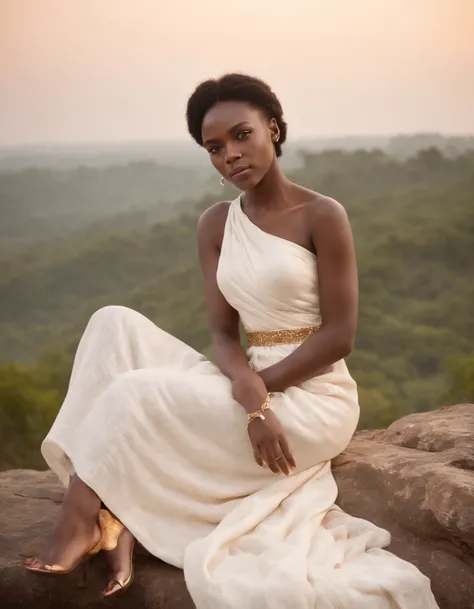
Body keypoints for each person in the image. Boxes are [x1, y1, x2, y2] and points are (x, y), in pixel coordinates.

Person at [25, 73, 439, 608]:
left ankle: (82, 516)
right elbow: (222, 333)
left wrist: (257, 397)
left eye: (242, 135)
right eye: (215, 148)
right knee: (112, 323)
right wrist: (248, 392)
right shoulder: (216, 223)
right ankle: (117, 514)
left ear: (273, 127)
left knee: (134, 395)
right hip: (246, 381)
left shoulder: (322, 214)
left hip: (312, 399)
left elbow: (341, 336)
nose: (231, 156)